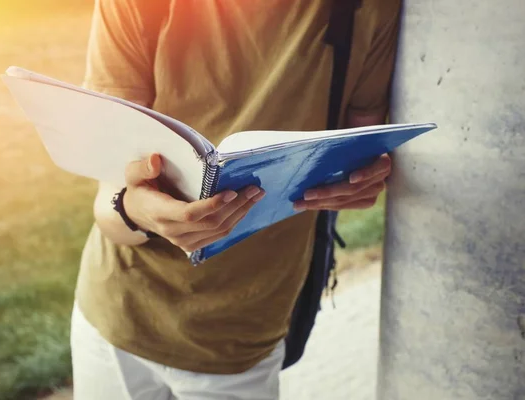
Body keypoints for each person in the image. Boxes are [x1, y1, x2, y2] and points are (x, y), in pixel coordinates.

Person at [71, 0, 399, 398]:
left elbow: (361, 151)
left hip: (241, 335)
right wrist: (134, 211)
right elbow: (108, 198)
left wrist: (360, 180)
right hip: (117, 314)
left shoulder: (366, 8)